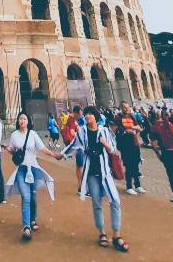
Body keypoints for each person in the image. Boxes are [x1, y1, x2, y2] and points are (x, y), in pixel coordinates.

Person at [61, 106, 128, 251]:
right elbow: (73, 146)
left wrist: (106, 144)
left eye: (90, 114)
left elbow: (114, 149)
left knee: (115, 200)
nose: (87, 116)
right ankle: (102, 233)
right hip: (91, 173)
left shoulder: (104, 131)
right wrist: (60, 155)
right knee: (97, 203)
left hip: (105, 172)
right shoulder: (82, 131)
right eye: (85, 114)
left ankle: (116, 234)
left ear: (96, 117)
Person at [5, 111, 61, 241]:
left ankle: (33, 220)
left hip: (33, 169)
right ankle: (26, 227)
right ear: (18, 121)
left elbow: (42, 148)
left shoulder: (33, 135)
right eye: (20, 119)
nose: (22, 121)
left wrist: (54, 155)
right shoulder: (14, 135)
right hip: (21, 169)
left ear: (28, 121)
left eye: (24, 119)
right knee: (26, 197)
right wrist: (9, 150)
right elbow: (13, 151)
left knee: (33, 197)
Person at [115, 104, 145, 195]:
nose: (127, 109)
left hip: (134, 142)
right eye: (125, 107)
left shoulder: (132, 116)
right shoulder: (118, 117)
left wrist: (135, 128)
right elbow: (116, 129)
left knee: (136, 164)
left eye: (128, 107)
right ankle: (129, 186)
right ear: (122, 108)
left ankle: (138, 185)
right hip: (125, 144)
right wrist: (125, 131)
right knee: (129, 165)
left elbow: (139, 127)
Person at [63, 105, 85, 189]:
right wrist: (80, 136)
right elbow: (72, 132)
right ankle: (81, 185)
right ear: (75, 113)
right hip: (77, 145)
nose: (80, 115)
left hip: (76, 145)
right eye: (80, 114)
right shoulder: (72, 120)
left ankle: (80, 184)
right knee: (80, 166)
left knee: (79, 166)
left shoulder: (72, 119)